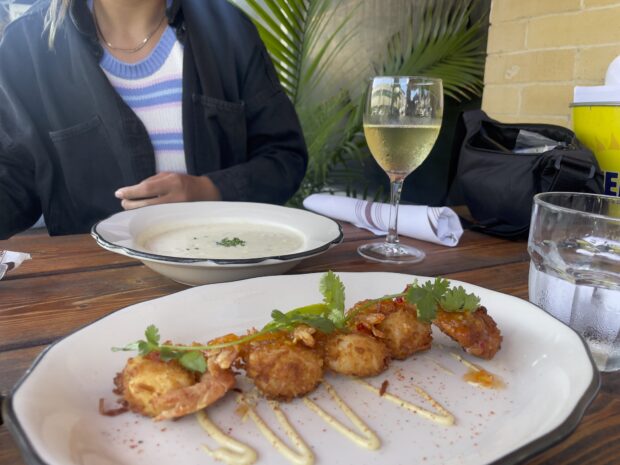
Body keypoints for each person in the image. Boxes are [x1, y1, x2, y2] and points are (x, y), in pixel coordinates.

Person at [0, 0, 308, 239]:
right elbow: (14, 182)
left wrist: (207, 189)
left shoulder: (230, 31)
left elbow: (283, 157)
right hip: (92, 290)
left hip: (223, 280)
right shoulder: (26, 47)